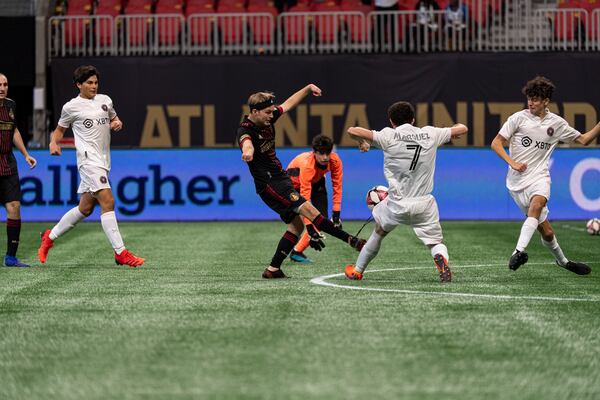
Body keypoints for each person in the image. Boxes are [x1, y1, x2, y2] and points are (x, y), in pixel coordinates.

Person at [237, 84, 365, 279]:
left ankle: (273, 269)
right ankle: (351, 240)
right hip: (269, 184)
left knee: (296, 227)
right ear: (254, 112)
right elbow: (246, 143)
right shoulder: (246, 130)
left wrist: (307, 89)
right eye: (268, 112)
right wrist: (248, 152)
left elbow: (288, 104)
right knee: (311, 211)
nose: (272, 115)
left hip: (281, 178)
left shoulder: (268, 118)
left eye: (273, 111)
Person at [344, 101, 468, 283]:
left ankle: (358, 270)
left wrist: (362, 142)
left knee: (378, 231)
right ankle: (441, 260)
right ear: (413, 119)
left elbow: (352, 130)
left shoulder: (388, 136)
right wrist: (453, 130)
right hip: (424, 203)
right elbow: (463, 128)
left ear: (391, 121)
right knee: (435, 242)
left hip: (396, 203)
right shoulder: (431, 133)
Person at [491, 76, 600, 275]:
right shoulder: (518, 118)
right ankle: (564, 262)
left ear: (546, 101)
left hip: (540, 177)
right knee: (547, 233)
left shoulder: (556, 124)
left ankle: (518, 251)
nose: (531, 102)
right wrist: (512, 162)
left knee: (537, 203)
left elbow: (584, 139)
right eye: (529, 98)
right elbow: (496, 143)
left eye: (536, 99)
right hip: (516, 183)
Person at [37, 65, 145, 267]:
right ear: (79, 85)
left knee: (85, 208)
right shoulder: (71, 107)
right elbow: (60, 130)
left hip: (103, 161)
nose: (94, 86)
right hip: (88, 161)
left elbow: (114, 118)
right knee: (108, 201)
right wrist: (53, 143)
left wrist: (117, 123)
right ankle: (121, 253)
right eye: (89, 83)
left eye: (95, 82)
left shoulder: (105, 100)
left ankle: (49, 237)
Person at [286, 134, 343, 263]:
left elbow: (337, 187)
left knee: (321, 219)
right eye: (321, 153)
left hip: (316, 181)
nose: (325, 157)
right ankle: (295, 250)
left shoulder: (335, 160)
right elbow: (305, 199)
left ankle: (296, 252)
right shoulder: (307, 165)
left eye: (328, 153)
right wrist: (310, 229)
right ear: (314, 152)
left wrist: (336, 214)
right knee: (305, 223)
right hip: (293, 186)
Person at [0, 73, 37, 267]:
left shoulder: (11, 105)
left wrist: (25, 154)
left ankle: (11, 257)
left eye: (5, 84)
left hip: (8, 162)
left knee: (14, 206)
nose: (2, 88)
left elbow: (14, 131)